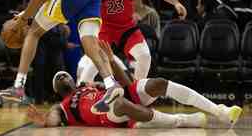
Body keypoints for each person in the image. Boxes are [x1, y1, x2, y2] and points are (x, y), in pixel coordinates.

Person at [0, 0, 123, 113]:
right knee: (90, 46)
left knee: (33, 33)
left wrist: (24, 19)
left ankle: (18, 87)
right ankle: (111, 85)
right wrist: (24, 15)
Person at [27, 41, 242, 128]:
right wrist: (44, 120)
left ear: (73, 78)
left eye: (64, 75)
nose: (63, 77)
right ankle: (182, 120)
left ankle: (219, 111)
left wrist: (111, 59)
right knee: (119, 102)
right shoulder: (61, 105)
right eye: (58, 78)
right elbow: (54, 121)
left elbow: (128, 83)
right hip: (108, 116)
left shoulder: (91, 85)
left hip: (116, 97)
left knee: (157, 83)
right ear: (57, 90)